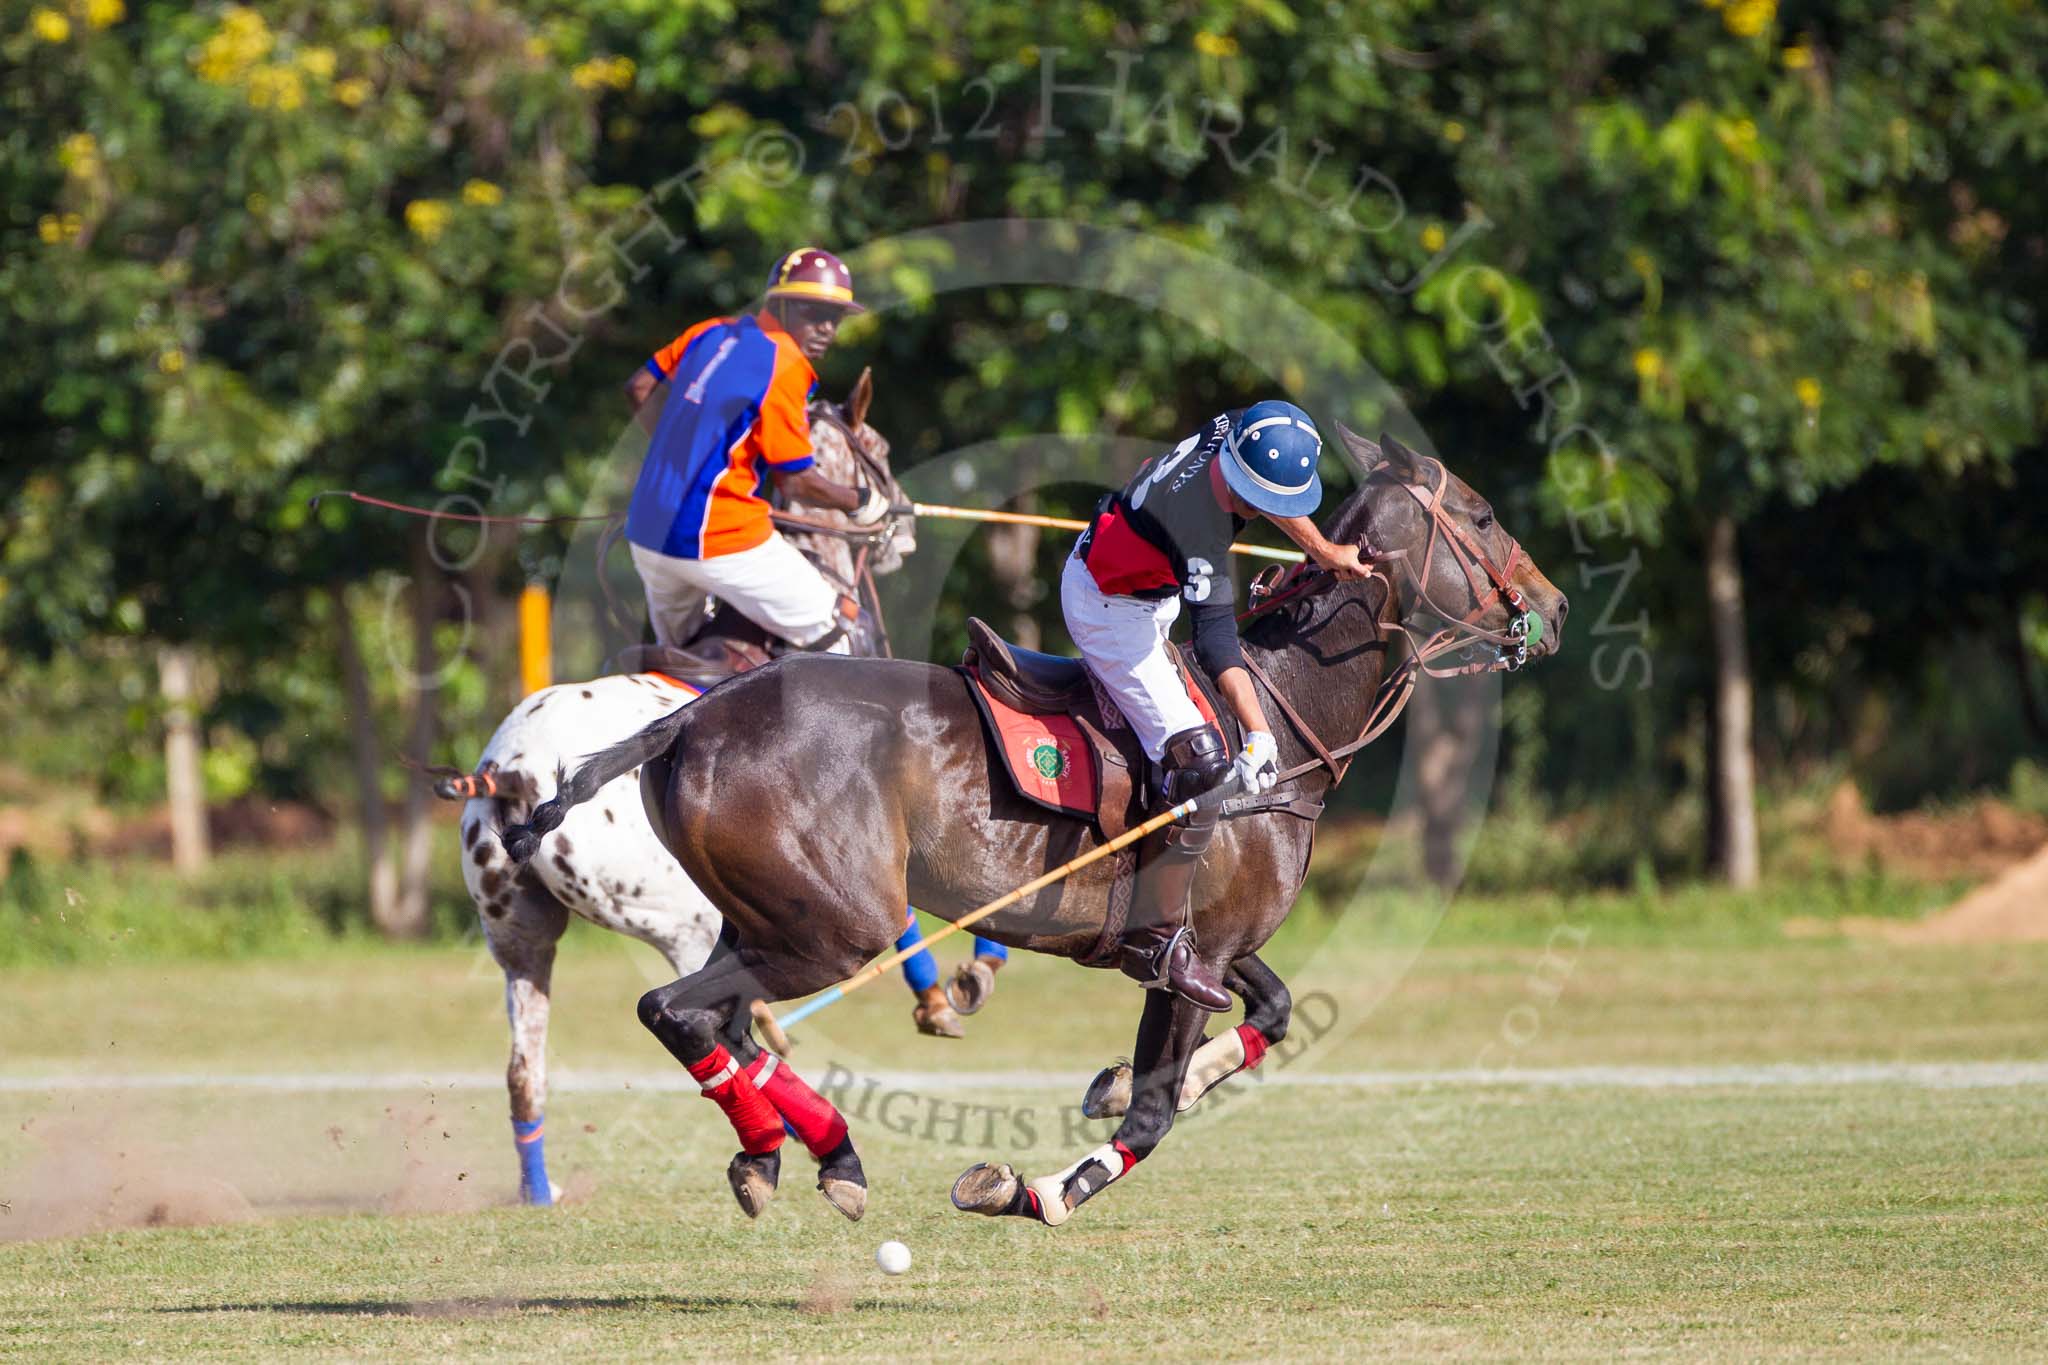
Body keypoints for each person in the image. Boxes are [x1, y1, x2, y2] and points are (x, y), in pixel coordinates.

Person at [1064, 401, 1369, 1009]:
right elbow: (1217, 641)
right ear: (1234, 474)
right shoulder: (1198, 526)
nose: (1264, 515)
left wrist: (1327, 554)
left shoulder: (1240, 425)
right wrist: (1260, 734)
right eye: (1259, 501)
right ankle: (1155, 938)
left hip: (1148, 587)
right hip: (1111, 610)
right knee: (1202, 761)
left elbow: (1277, 492)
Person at [622, 247, 890, 653]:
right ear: (778, 305)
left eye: (834, 318)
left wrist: (680, 452)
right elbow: (796, 481)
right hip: (717, 537)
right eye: (812, 313)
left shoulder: (709, 332)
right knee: (846, 636)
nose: (826, 329)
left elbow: (639, 386)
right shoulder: (785, 365)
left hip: (646, 534)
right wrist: (859, 500)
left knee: (685, 661)